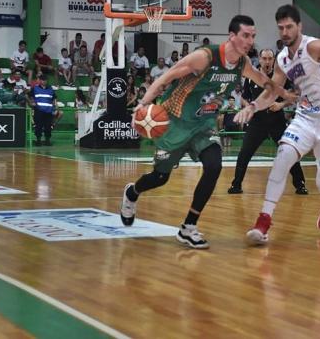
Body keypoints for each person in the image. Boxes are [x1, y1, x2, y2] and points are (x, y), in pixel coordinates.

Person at [119, 15, 289, 249]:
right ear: (232, 36)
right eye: (245, 35)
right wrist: (142, 104)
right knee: (159, 178)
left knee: (214, 166)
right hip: (175, 122)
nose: (250, 41)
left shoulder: (243, 64)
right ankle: (132, 192)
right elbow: (166, 77)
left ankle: (189, 226)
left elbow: (263, 80)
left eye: (253, 36)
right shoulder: (205, 57)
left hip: (204, 124)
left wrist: (284, 93)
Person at [240, 4, 320, 245]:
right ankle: (263, 221)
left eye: (289, 27)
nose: (285, 32)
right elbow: (272, 91)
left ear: (299, 27)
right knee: (282, 157)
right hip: (305, 118)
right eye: (281, 28)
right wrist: (253, 106)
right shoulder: (282, 59)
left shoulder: (314, 47)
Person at [228, 48, 308, 196]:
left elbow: (293, 95)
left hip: (277, 120)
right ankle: (236, 185)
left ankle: (300, 184)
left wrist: (281, 105)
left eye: (270, 59)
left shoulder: (281, 76)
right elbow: (244, 97)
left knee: (289, 152)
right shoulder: (251, 78)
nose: (267, 61)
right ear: (259, 59)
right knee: (244, 153)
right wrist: (249, 109)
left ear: (274, 60)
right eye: (264, 58)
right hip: (257, 122)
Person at [28, 74, 56, 146]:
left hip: (48, 111)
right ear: (40, 81)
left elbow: (54, 99)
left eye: (45, 80)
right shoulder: (35, 88)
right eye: (43, 80)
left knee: (48, 126)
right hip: (38, 110)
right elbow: (29, 96)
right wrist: (32, 102)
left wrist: (54, 107)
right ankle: (38, 140)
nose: (44, 81)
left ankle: (47, 140)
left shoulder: (50, 89)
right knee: (38, 126)